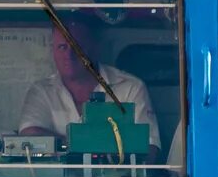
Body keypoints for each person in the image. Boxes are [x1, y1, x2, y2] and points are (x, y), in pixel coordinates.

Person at [16, 19, 159, 154]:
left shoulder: (131, 87)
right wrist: (92, 146)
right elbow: (29, 135)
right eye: (62, 47)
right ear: (53, 52)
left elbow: (150, 147)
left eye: (77, 47)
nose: (69, 54)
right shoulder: (41, 90)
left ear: (94, 49)